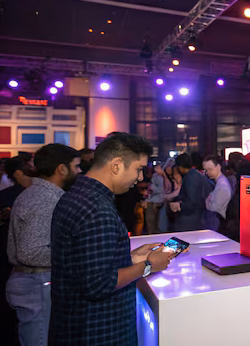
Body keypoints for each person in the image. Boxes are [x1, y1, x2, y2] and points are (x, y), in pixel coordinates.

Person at [50, 133, 174, 345]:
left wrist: (129, 257)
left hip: (74, 323)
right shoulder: (97, 209)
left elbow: (85, 264)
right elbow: (98, 284)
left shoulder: (77, 196)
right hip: (98, 330)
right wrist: (148, 266)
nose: (140, 178)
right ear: (116, 165)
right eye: (138, 169)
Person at [5, 144, 80, 346]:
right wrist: (75, 254)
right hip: (37, 281)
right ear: (62, 169)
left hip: (35, 280)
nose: (80, 171)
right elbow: (31, 252)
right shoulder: (45, 199)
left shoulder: (38, 194)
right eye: (76, 166)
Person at [0, 157, 32, 344]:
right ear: (18, 172)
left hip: (11, 257)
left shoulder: (3, 196)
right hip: (9, 256)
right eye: (29, 166)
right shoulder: (5, 197)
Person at [170, 153, 214, 231]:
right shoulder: (199, 175)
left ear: (180, 167)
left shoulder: (190, 178)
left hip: (190, 220)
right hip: (201, 217)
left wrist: (179, 205)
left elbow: (192, 202)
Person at [203, 155, 232, 233]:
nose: (207, 173)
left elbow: (214, 208)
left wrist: (207, 202)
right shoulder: (219, 183)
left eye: (210, 169)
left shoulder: (222, 186)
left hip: (217, 225)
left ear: (218, 167)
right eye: (206, 170)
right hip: (215, 223)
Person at [145, 162, 166, 234]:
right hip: (152, 202)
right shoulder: (154, 176)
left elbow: (161, 190)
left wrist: (152, 187)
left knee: (155, 227)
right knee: (150, 226)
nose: (157, 169)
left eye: (159, 167)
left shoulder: (161, 177)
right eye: (156, 167)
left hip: (157, 203)